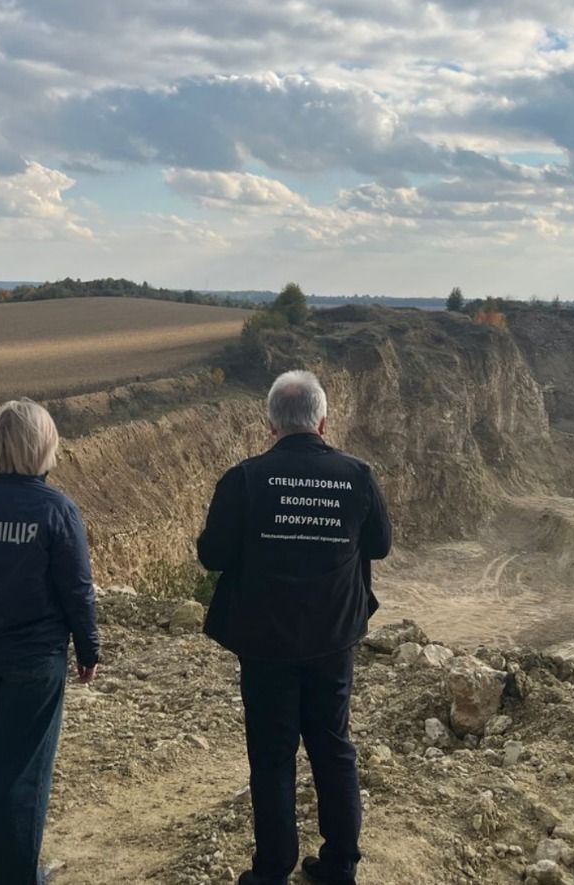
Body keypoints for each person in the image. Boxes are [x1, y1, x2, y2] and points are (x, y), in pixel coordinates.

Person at [198, 370, 394, 885]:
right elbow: (379, 546)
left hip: (263, 640)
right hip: (332, 637)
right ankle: (340, 864)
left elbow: (211, 554)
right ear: (323, 422)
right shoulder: (357, 475)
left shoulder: (244, 479)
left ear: (271, 425)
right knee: (333, 745)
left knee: (271, 754)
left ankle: (272, 870)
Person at [0, 399, 100, 885]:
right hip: (34, 660)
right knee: (22, 769)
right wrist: (89, 650)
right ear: (44, 445)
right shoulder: (57, 510)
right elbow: (77, 589)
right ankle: (11, 875)